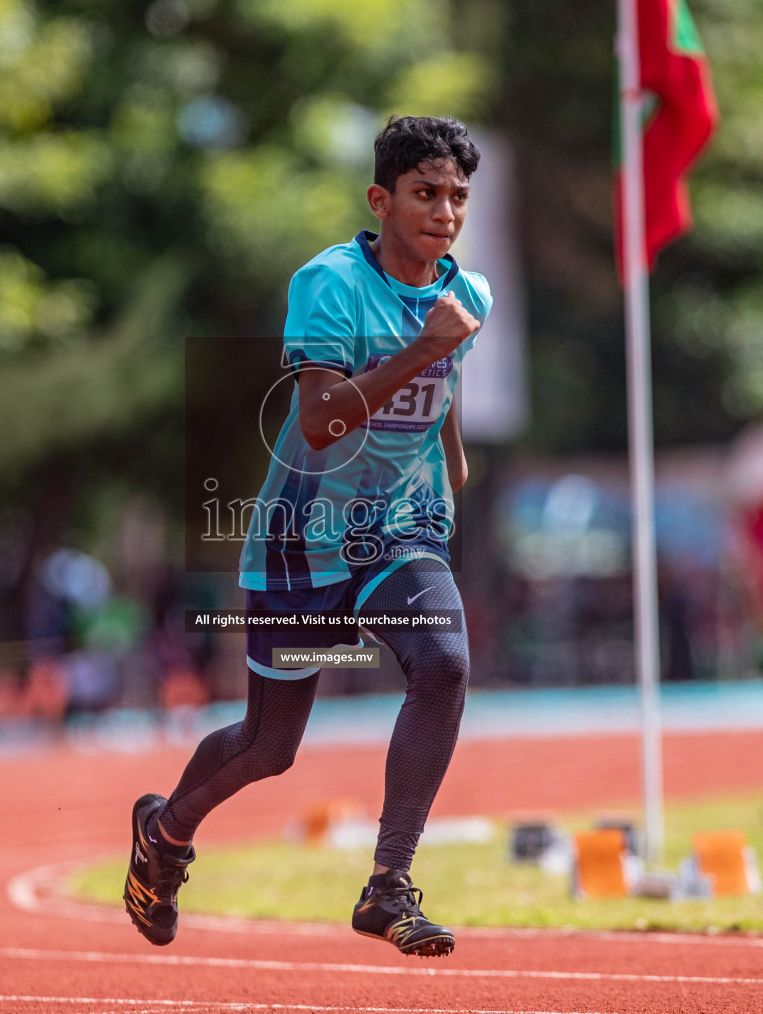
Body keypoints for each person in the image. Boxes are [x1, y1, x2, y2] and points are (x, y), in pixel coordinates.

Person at [124, 116, 490, 957]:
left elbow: (447, 384)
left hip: (399, 528)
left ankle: (387, 884)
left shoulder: (469, 295)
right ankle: (164, 833)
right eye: (426, 194)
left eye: (458, 197)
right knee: (269, 746)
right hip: (303, 535)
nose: (444, 212)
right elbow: (323, 421)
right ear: (382, 198)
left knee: (443, 664)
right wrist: (426, 348)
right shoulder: (327, 284)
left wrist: (449, 456)